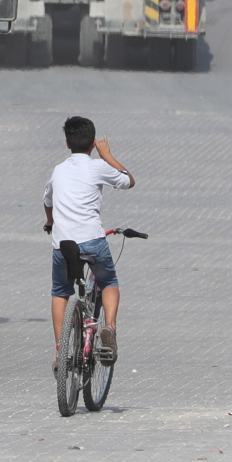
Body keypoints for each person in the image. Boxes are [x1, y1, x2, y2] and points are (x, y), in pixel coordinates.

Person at [44, 115, 135, 365]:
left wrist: (50, 222)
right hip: (93, 241)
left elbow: (48, 200)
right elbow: (129, 181)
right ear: (93, 143)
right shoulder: (98, 166)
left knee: (60, 291)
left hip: (63, 245)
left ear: (67, 144)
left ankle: (61, 351)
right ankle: (110, 329)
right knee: (108, 281)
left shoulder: (58, 170)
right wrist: (107, 155)